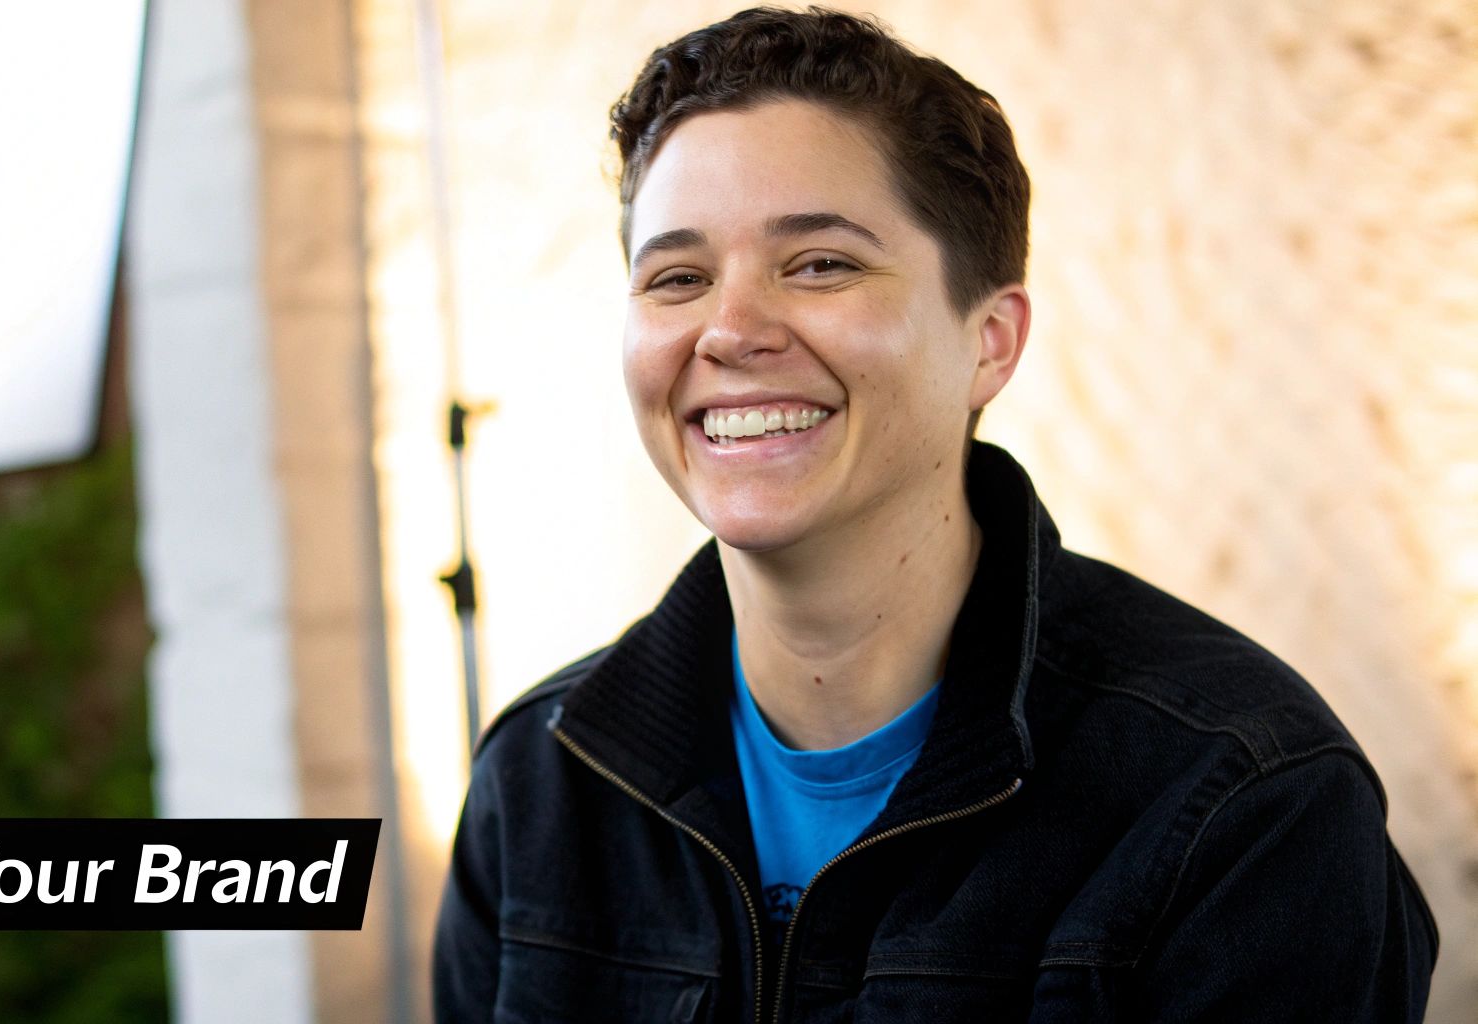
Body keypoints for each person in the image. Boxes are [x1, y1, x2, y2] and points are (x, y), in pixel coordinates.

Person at [431, 7, 1439, 1021]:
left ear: (990, 341)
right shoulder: (537, 781)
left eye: (819, 262)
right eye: (677, 278)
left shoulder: (1239, 801)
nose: (729, 330)